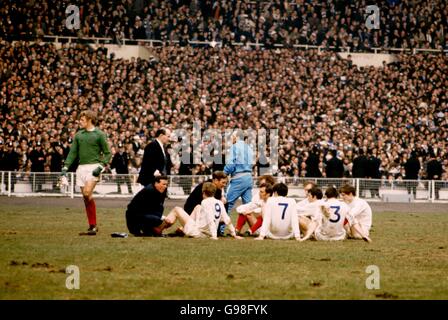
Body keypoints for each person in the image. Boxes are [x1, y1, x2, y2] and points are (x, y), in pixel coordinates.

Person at [61, 110, 112, 236]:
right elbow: (73, 152)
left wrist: (100, 167)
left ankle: (93, 225)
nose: (79, 122)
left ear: (90, 120)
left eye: (82, 120)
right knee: (86, 197)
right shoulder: (79, 135)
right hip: (81, 168)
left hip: (94, 167)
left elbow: (108, 153)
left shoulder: (100, 134)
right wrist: (65, 167)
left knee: (87, 192)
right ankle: (92, 226)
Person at [165, 182, 243, 240]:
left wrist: (214, 236)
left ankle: (160, 228)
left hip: (199, 233)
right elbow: (227, 219)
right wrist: (234, 234)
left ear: (203, 192)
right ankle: (182, 228)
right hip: (207, 232)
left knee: (177, 209)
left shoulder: (205, 202)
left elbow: (210, 219)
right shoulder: (219, 202)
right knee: (198, 207)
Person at [300, 186, 371, 242]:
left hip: (322, 237)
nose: (342, 197)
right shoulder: (344, 205)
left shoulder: (322, 205)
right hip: (340, 237)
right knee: (349, 218)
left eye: (343, 195)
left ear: (326, 196)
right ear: (337, 196)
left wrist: (306, 237)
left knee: (305, 219)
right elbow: (353, 221)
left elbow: (314, 223)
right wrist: (363, 235)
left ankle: (306, 235)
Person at [221, 132, 254, 235]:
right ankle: (253, 229)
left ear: (236, 137)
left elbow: (231, 164)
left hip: (238, 178)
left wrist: (224, 173)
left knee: (227, 204)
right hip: (249, 177)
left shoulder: (235, 147)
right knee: (248, 206)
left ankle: (220, 229)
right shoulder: (249, 148)